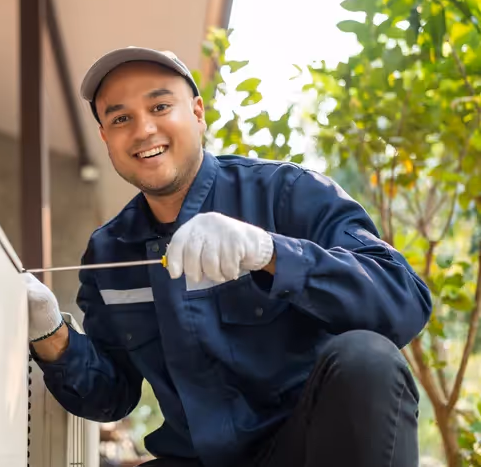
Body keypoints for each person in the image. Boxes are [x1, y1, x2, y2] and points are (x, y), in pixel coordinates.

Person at [22, 47, 432, 467]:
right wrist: (50, 333)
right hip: (197, 459)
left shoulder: (287, 193)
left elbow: (402, 301)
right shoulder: (108, 252)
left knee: (366, 359)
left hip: (305, 450)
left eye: (160, 106)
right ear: (106, 137)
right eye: (120, 118)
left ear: (197, 113)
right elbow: (112, 396)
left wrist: (271, 252)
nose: (144, 130)